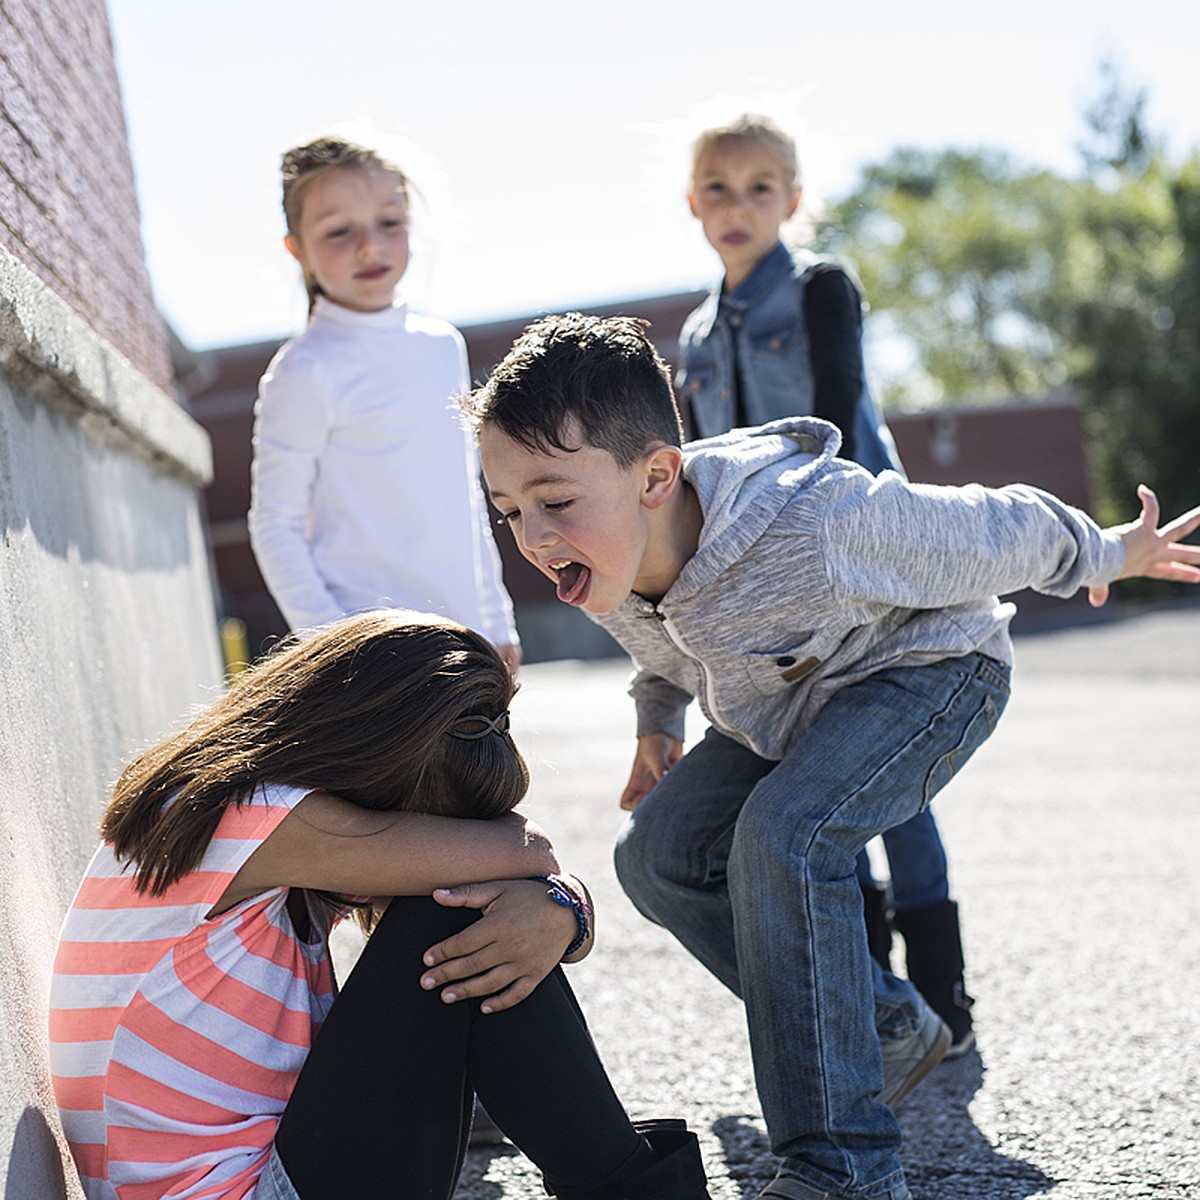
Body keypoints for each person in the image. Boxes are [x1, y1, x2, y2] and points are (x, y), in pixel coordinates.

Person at [463, 312, 1200, 1200]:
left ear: (657, 474)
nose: (533, 537)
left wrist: (1112, 549)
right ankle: (884, 1026)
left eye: (554, 500)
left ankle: (843, 1164)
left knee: (786, 834)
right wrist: (655, 721)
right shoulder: (600, 556)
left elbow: (990, 527)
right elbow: (659, 649)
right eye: (508, 512)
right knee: (654, 857)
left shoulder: (816, 522)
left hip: (930, 674)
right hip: (787, 708)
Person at [48, 610, 712, 1200]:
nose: (430, 849)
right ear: (372, 765)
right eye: (428, 825)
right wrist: (557, 899)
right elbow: (526, 850)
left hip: (266, 1171)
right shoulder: (250, 818)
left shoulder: (245, 819)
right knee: (456, 913)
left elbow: (527, 869)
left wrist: (562, 909)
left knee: (479, 916)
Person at [677, 112, 972, 1053]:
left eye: (760, 187)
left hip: (862, 562)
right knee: (814, 782)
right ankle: (880, 1005)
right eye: (718, 188)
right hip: (766, 591)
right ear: (693, 203)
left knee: (895, 787)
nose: (738, 205)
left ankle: (944, 996)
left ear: (793, 201)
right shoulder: (691, 333)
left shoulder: (819, 290)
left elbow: (840, 415)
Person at [248, 136, 520, 671]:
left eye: (389, 222)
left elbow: (465, 498)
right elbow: (274, 523)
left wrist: (496, 620)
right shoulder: (305, 369)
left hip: (467, 643)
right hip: (373, 659)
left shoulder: (443, 345)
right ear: (297, 248)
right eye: (338, 231)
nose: (370, 246)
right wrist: (335, 645)